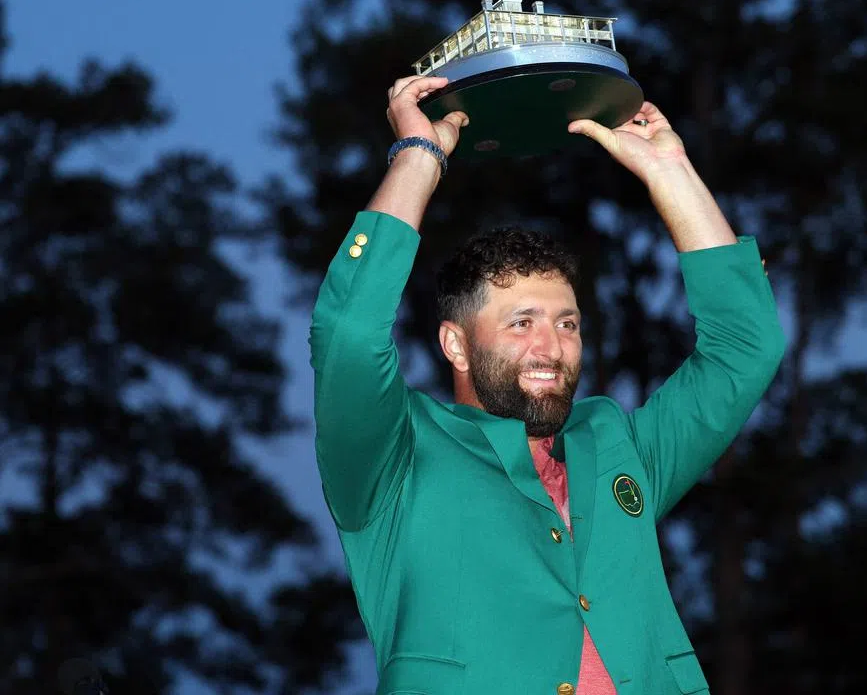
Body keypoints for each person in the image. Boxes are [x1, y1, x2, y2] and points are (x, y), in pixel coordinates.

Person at [310, 74, 786, 695]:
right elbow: (346, 332)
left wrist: (670, 173)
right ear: (455, 343)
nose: (551, 346)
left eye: (567, 323)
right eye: (521, 323)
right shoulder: (391, 457)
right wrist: (418, 159)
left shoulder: (616, 446)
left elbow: (747, 348)